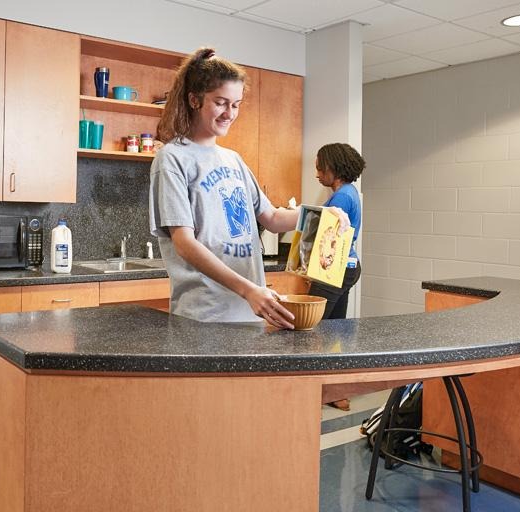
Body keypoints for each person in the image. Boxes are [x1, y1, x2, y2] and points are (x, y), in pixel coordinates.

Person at [148, 47, 300, 329]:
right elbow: (184, 243)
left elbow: (274, 219)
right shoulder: (172, 158)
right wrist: (249, 290)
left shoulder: (234, 160)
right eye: (221, 102)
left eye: (236, 104)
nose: (230, 113)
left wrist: (321, 214)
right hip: (204, 317)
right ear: (194, 100)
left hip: (251, 313)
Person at [309, 142, 365, 410]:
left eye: (320, 167)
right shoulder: (350, 192)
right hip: (349, 267)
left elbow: (326, 240)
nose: (317, 173)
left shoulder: (341, 197)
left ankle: (314, 390)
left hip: (334, 269)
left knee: (309, 329)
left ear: (333, 167)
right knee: (334, 331)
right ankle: (336, 392)